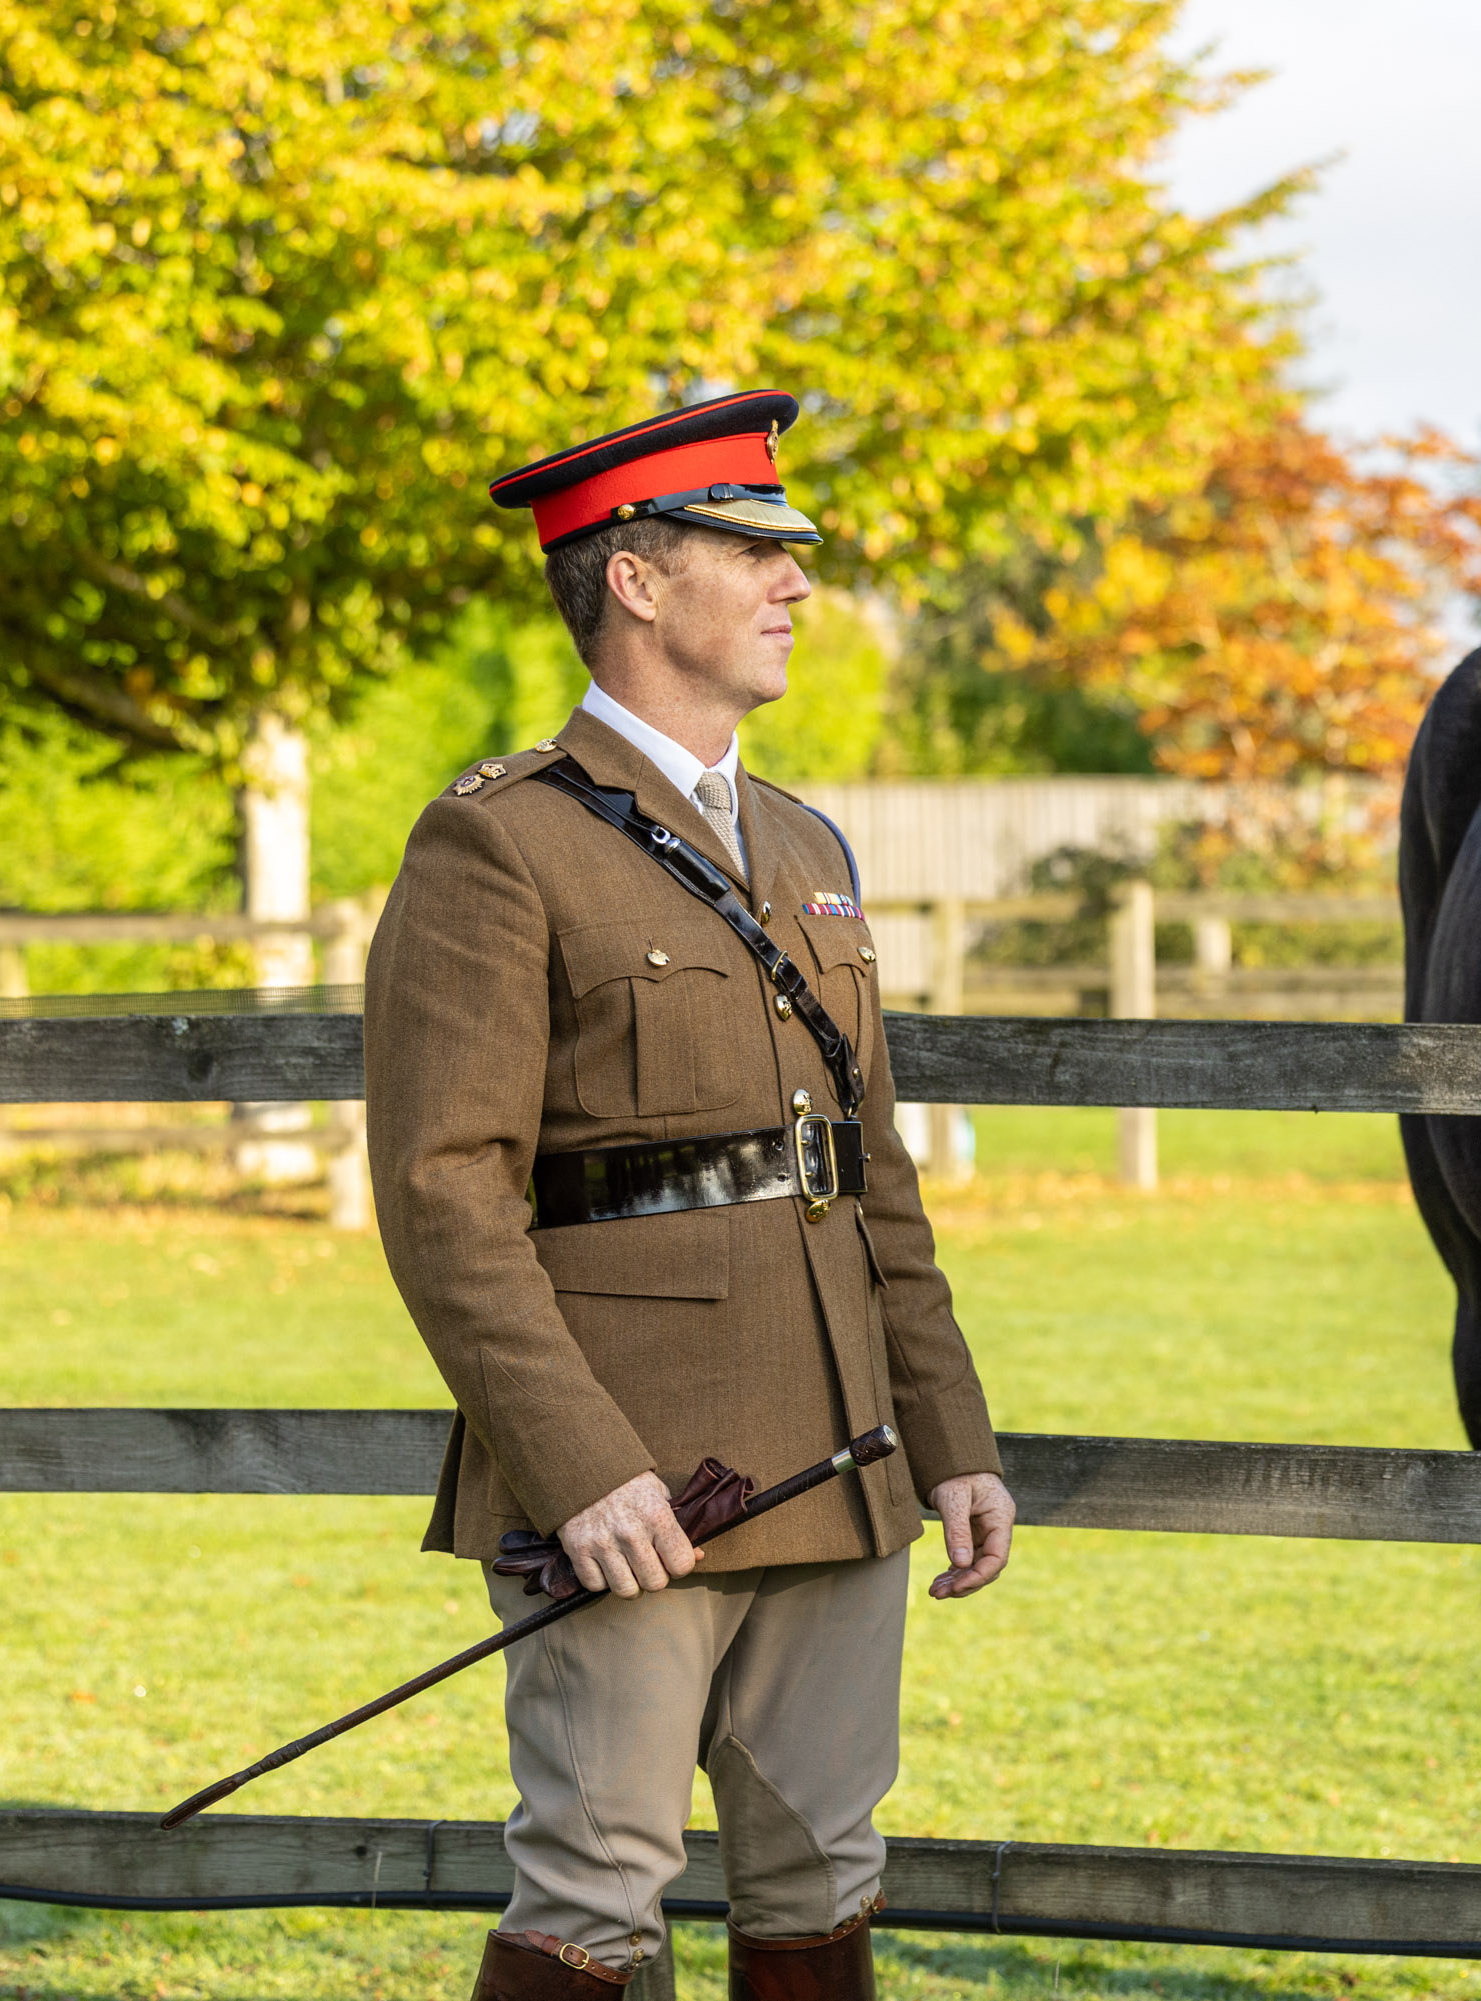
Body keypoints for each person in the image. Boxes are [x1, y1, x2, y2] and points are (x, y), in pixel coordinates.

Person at [366, 390, 1014, 2001]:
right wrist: (579, 1468)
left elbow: (869, 1174)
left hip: (839, 1453)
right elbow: (446, 1193)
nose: (798, 583)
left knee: (821, 1879)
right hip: (641, 1478)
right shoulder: (498, 846)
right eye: (754, 551)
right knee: (594, 1892)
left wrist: (951, 1439)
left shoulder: (806, 845)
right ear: (636, 581)